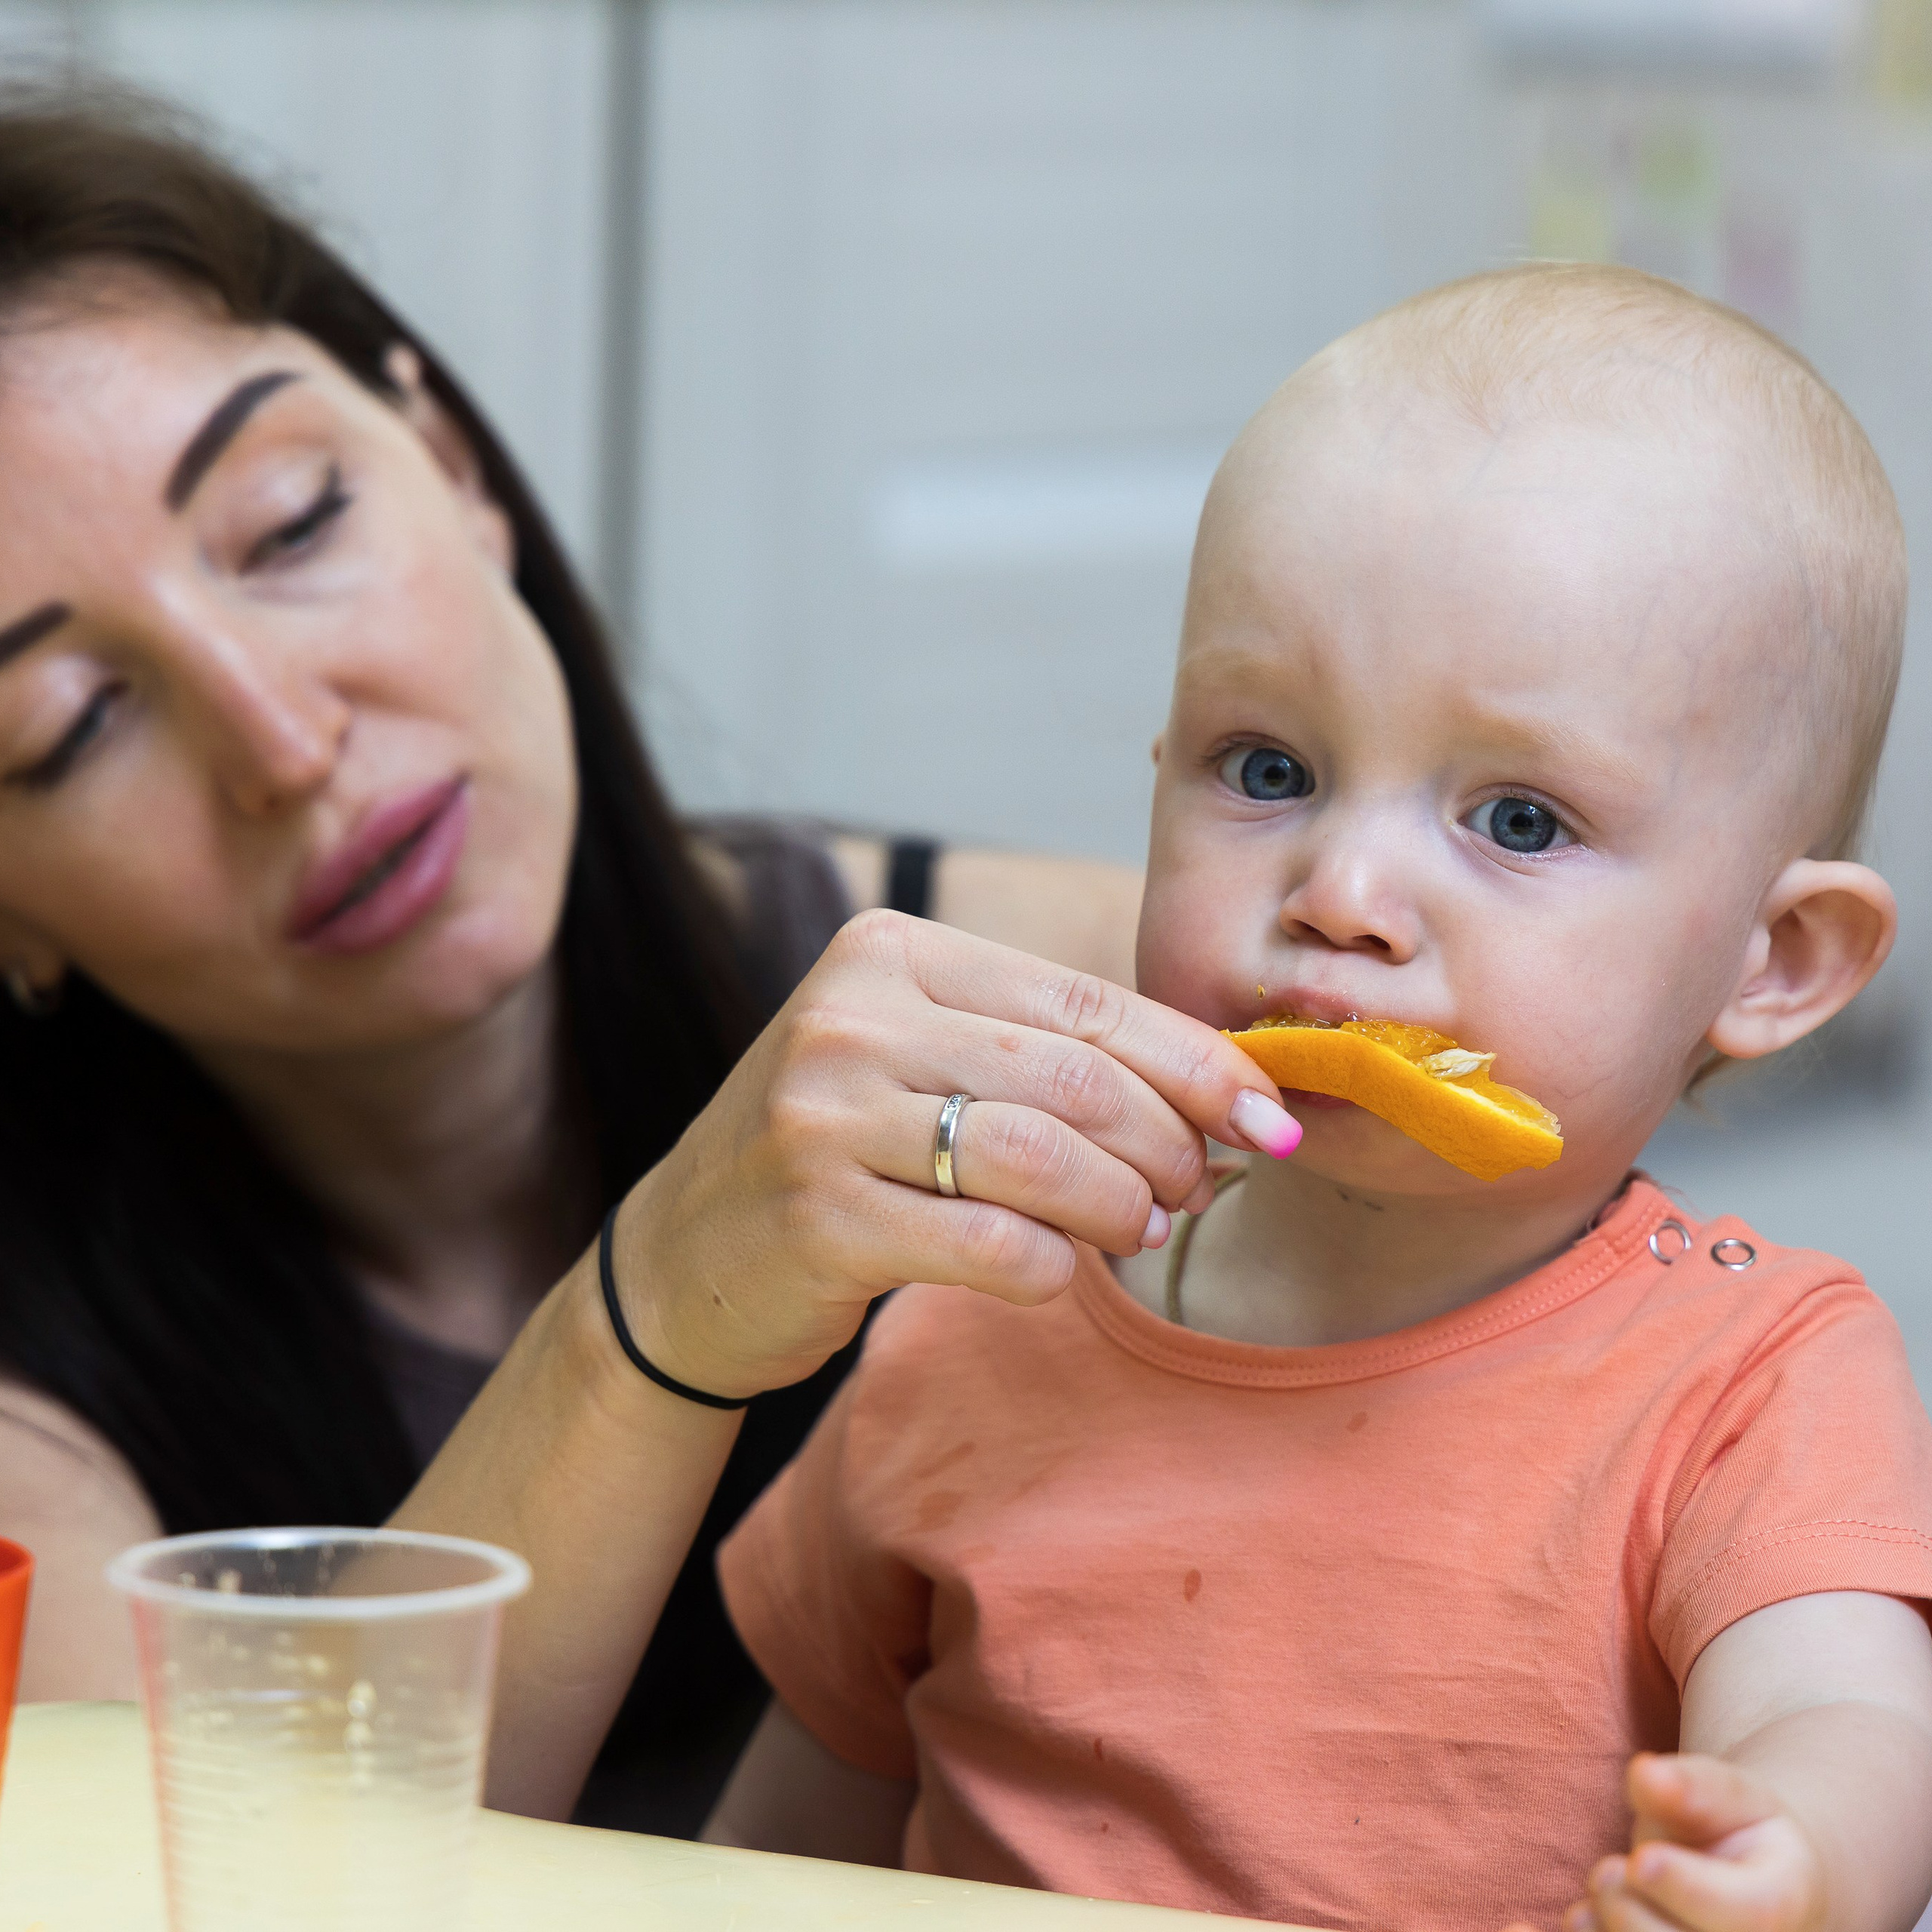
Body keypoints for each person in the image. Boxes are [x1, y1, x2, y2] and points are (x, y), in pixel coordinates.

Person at [0, 88, 1306, 1833]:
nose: (282, 741)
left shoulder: (1102, 1008)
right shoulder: (33, 1400)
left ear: (451, 469)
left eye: (295, 522)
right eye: (72, 720)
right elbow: (239, 1886)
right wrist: (652, 1314)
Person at [700, 266, 1932, 1932]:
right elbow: (773, 1848)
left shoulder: (1757, 1377)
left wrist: (1791, 1856)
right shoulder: (981, 1303)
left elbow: (1842, 1715)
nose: (1338, 888)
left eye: (1514, 819)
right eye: (1265, 769)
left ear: (1770, 956)